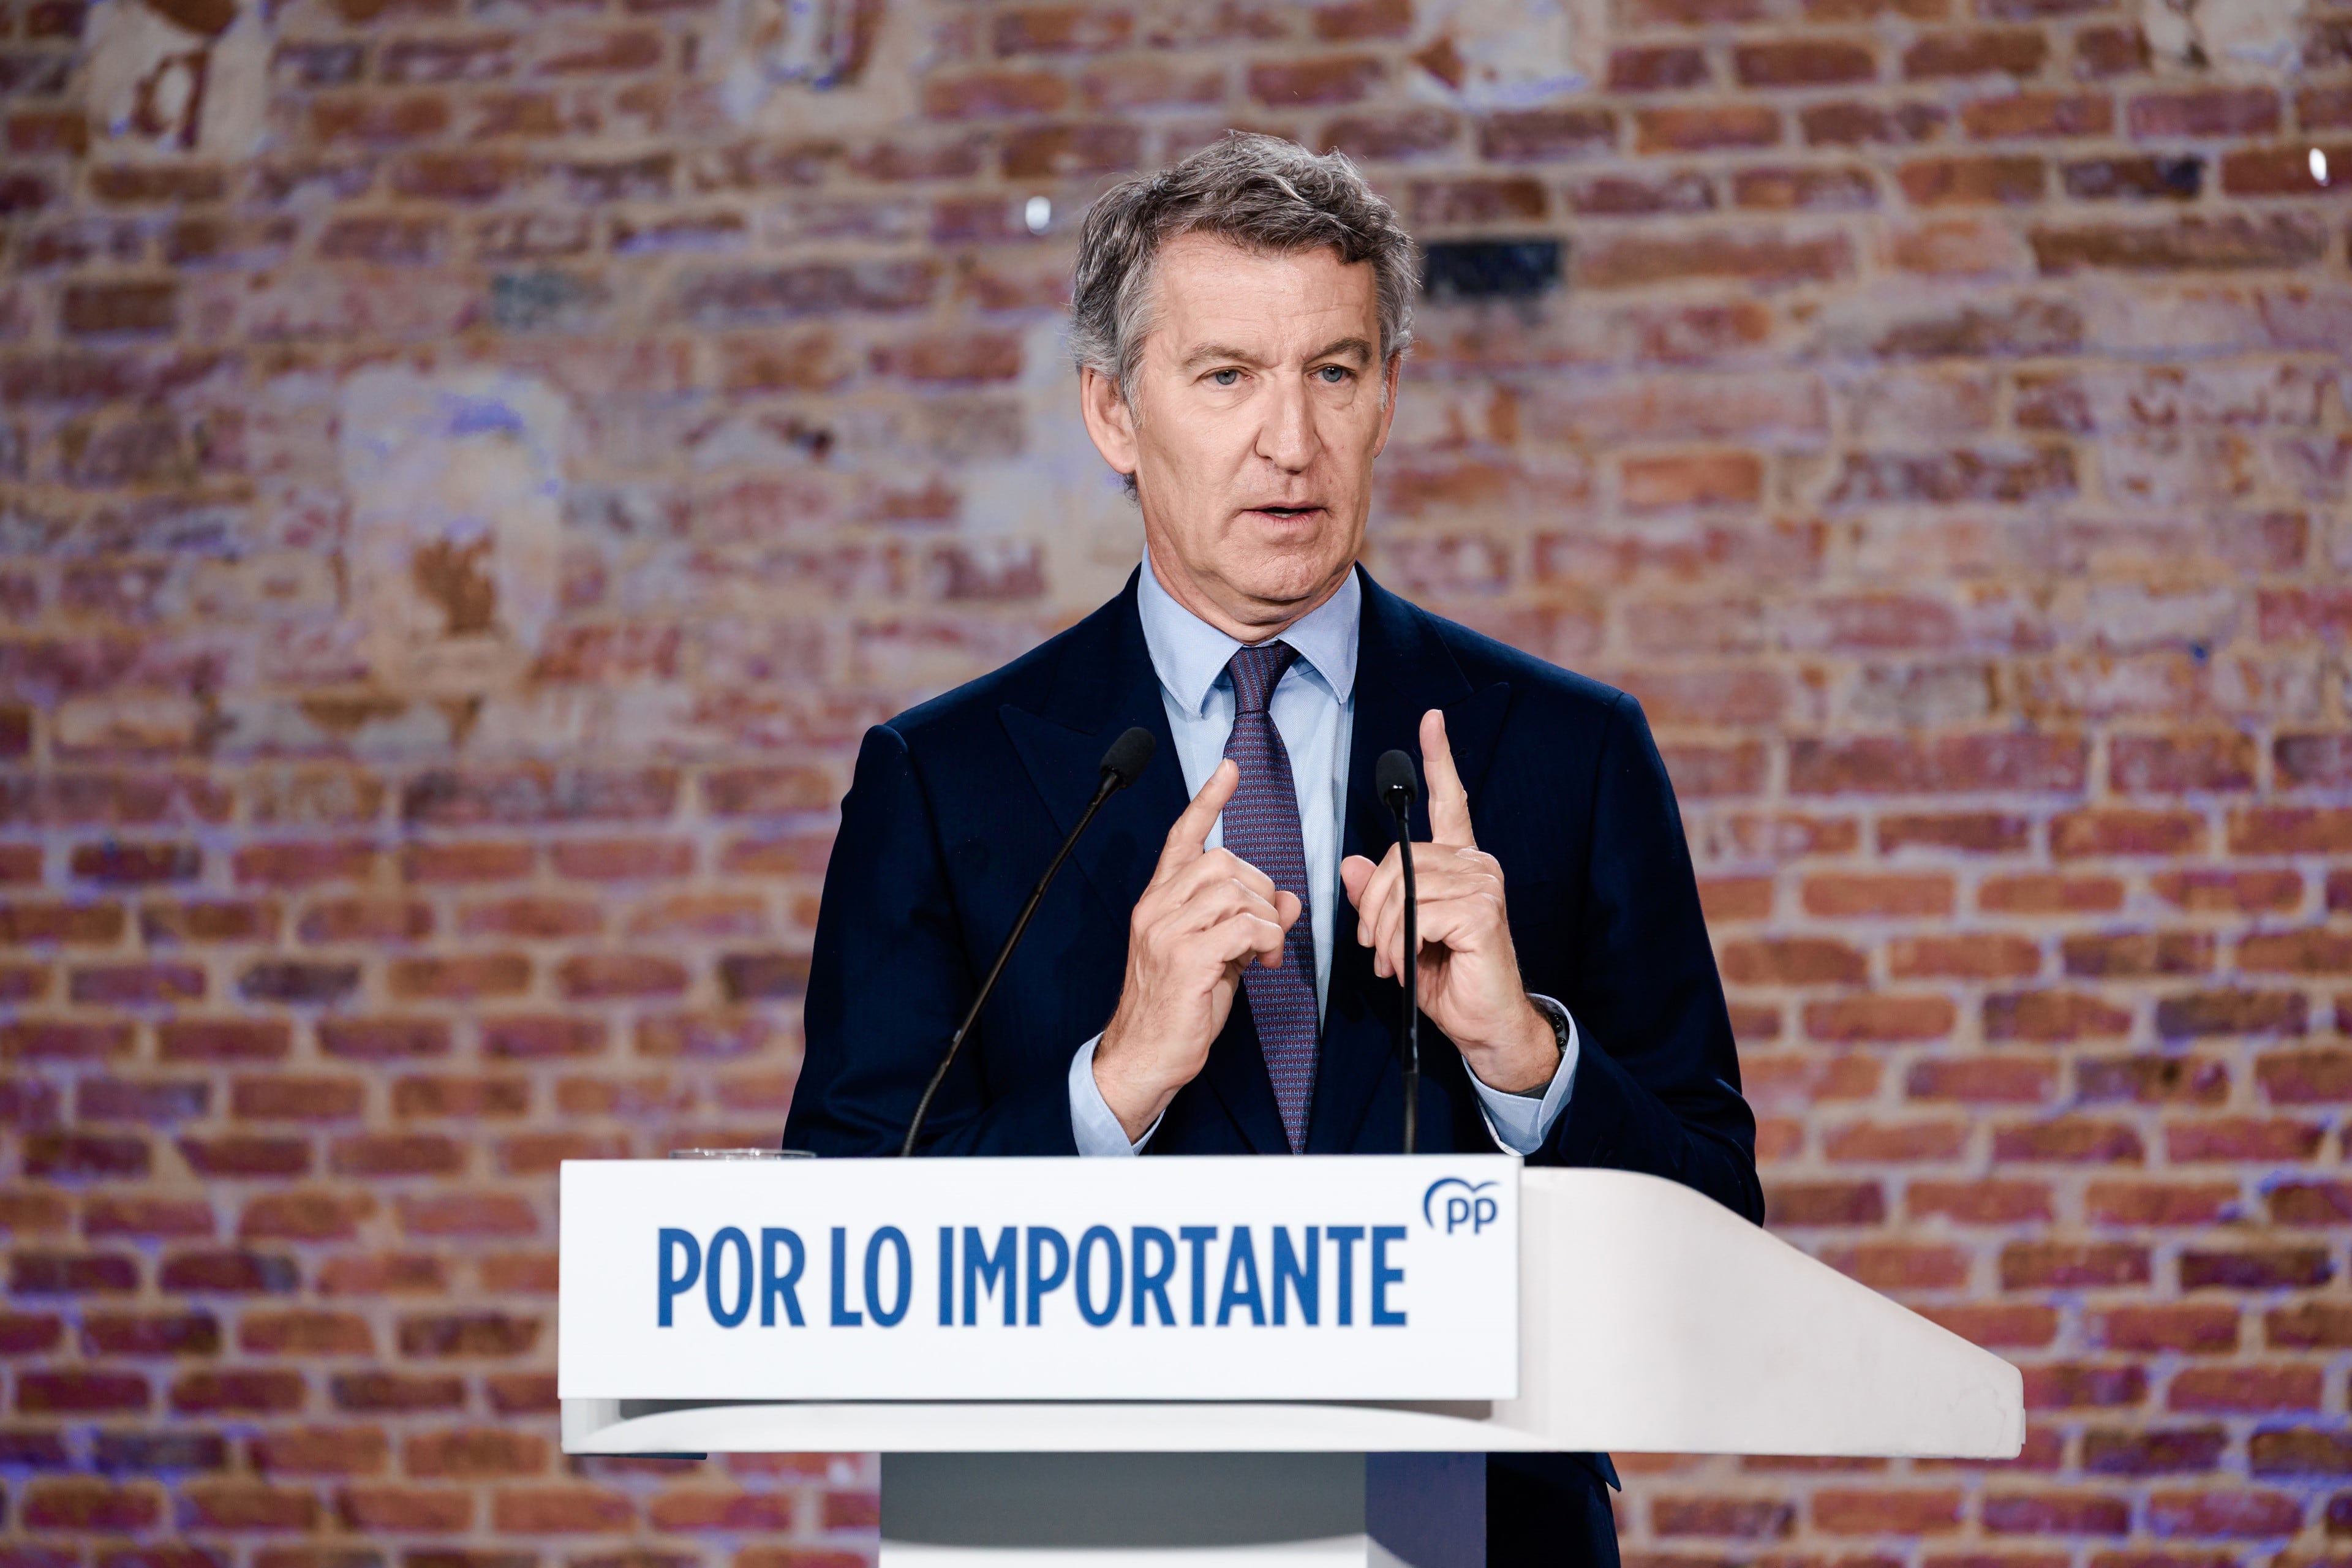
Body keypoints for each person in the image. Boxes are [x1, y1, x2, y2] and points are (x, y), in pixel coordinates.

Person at [783, 132, 1762, 1566]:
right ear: (1114, 411)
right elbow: (833, 1254)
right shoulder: (943, 779)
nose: (1290, 442)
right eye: (1227, 376)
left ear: (1389, 397)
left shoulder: (1572, 749)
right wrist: (1112, 1085)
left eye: (1335, 373)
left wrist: (1528, 1061)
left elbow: (1718, 1231)